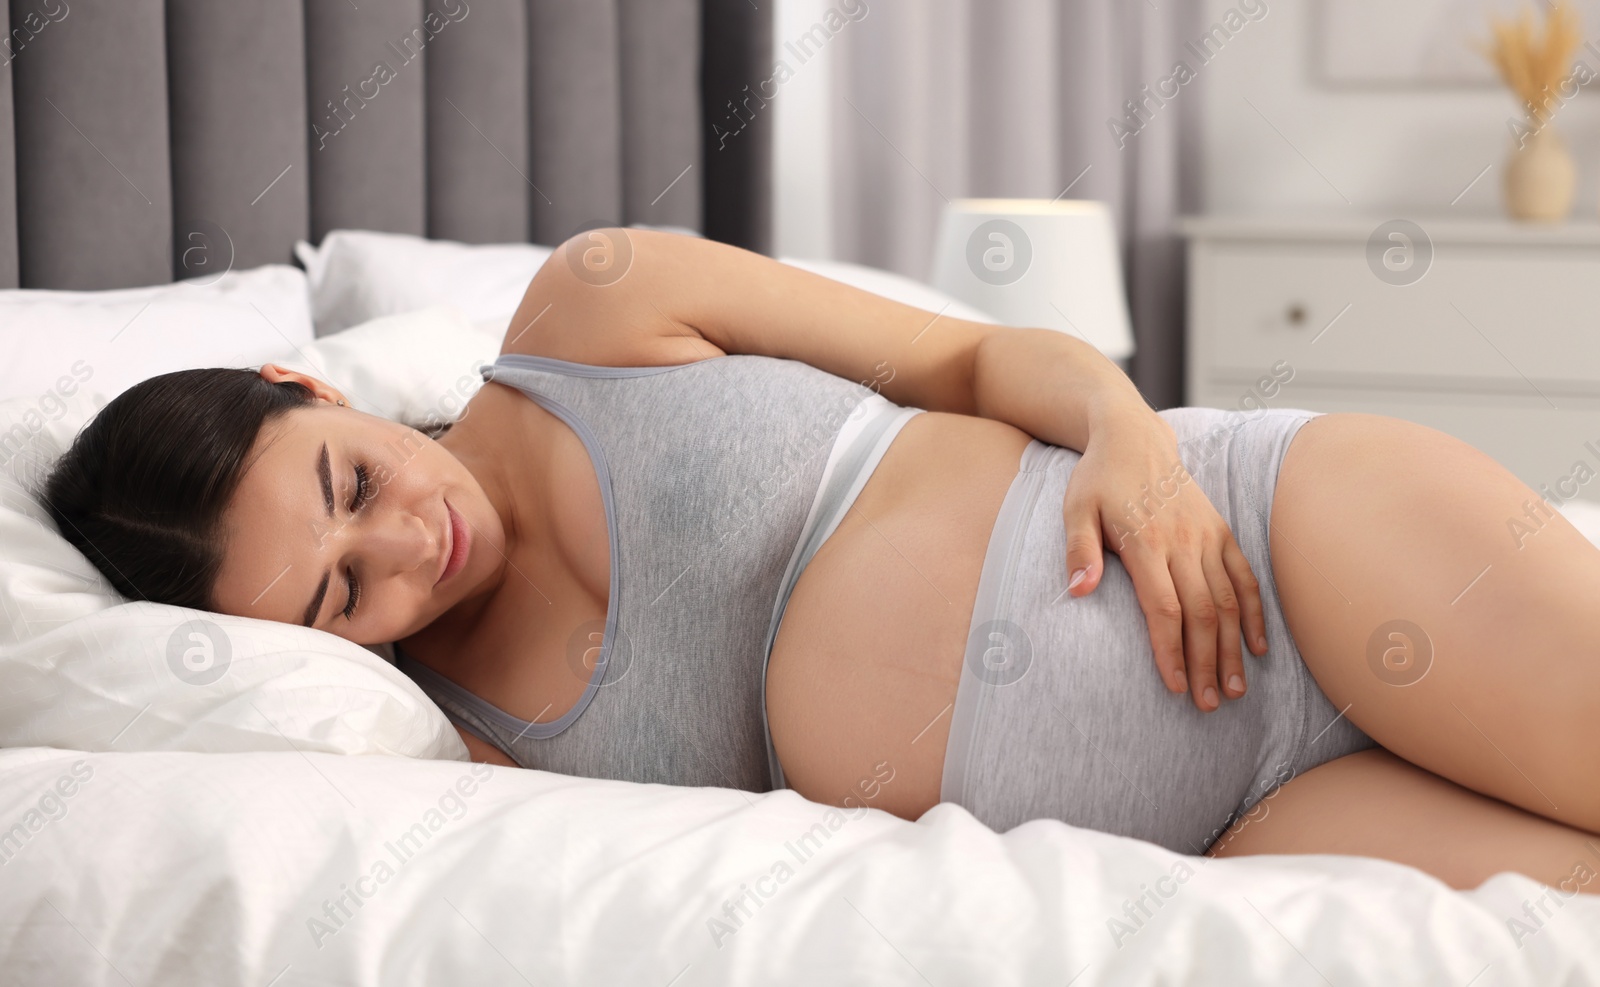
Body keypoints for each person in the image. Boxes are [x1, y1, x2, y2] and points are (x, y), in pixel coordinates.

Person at [44, 228, 1600, 891]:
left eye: (352, 479)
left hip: (1284, 548)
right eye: (339, 591)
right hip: (1239, 831)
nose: (405, 541)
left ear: (318, 393)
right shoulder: (454, 749)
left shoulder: (597, 309)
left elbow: (985, 354)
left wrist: (1131, 439)